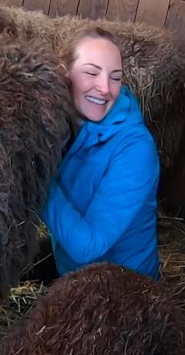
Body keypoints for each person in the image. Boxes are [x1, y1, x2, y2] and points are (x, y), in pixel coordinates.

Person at [36, 26, 160, 281]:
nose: (105, 87)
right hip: (71, 271)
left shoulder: (136, 150)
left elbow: (88, 247)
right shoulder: (58, 121)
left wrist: (34, 177)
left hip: (119, 291)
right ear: (64, 73)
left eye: (115, 77)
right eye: (92, 72)